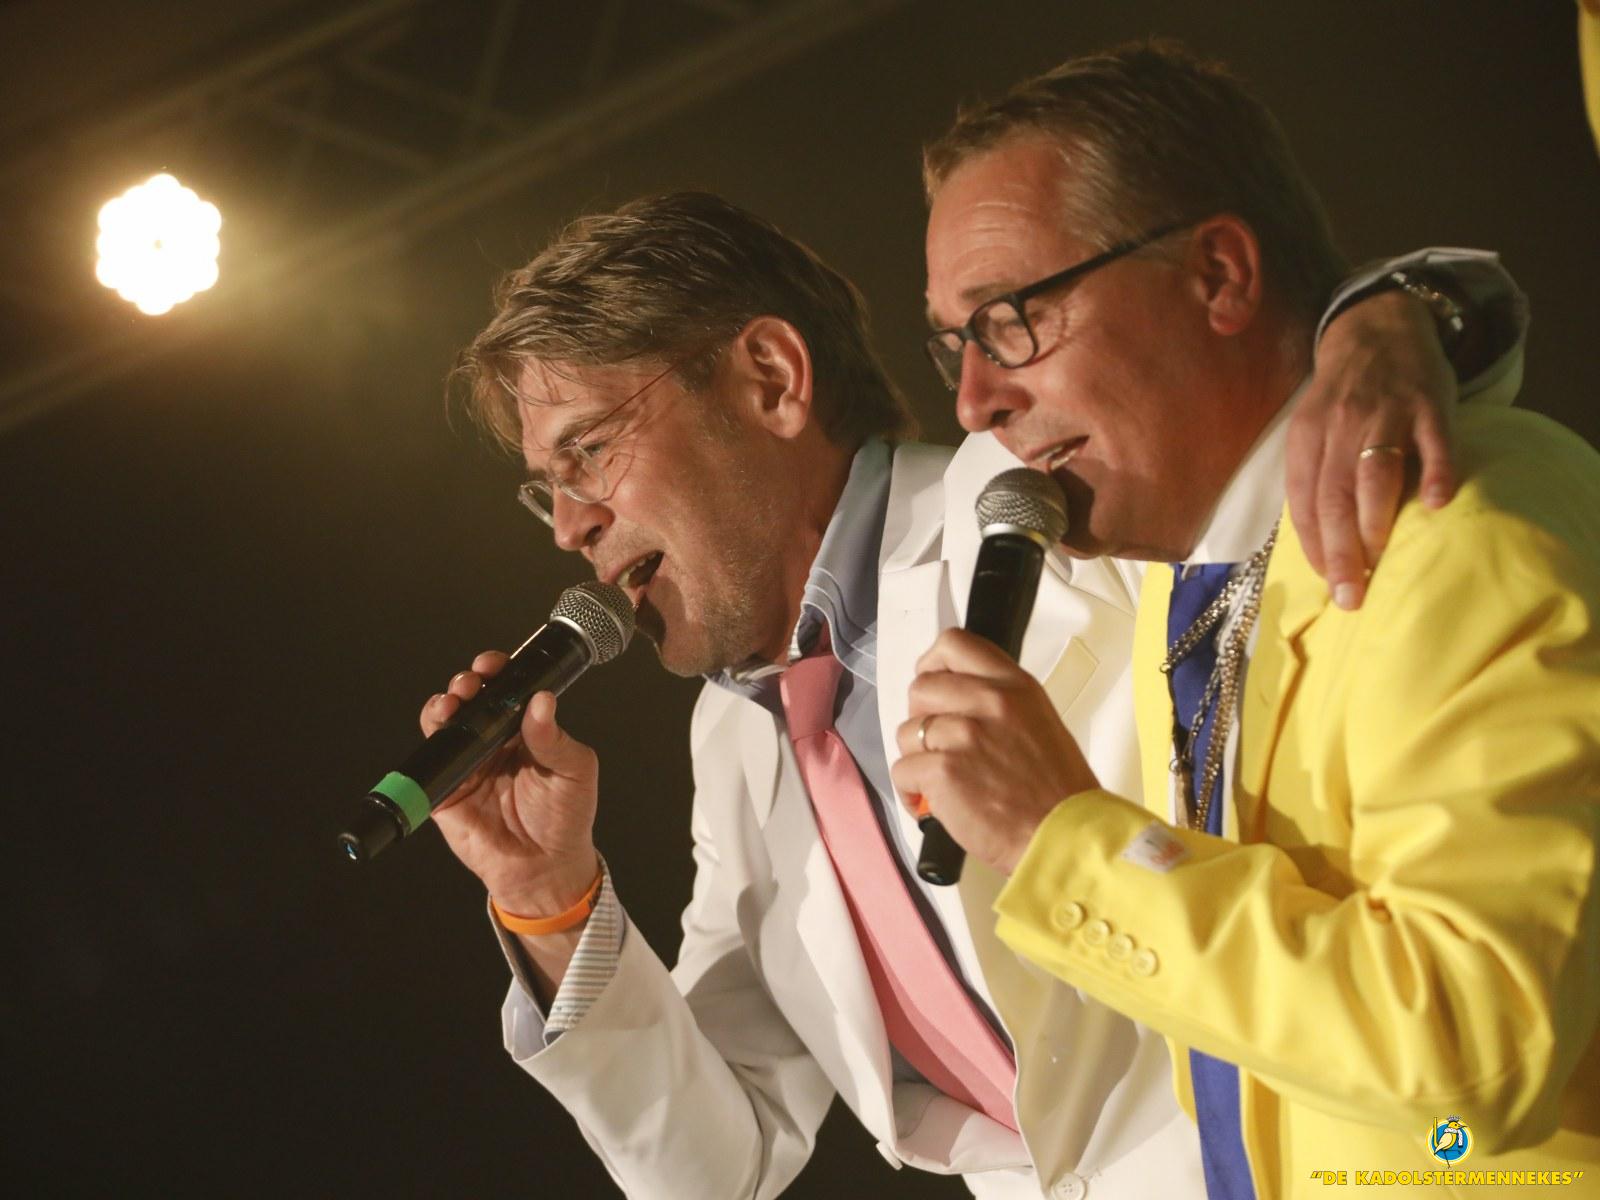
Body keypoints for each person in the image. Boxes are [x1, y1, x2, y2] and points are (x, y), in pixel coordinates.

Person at [423, 191, 1523, 1199]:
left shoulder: (1041, 499)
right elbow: (715, 1168)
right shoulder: (737, 737)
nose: (570, 527)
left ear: (771, 379)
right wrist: (549, 900)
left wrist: (1393, 312)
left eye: (590, 451)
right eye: (548, 490)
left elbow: (1262, 409)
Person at [896, 41, 1598, 1199]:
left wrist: (1060, 835)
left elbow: (1474, 1051)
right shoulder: (1190, 585)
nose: (974, 402)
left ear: (1219, 275)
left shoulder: (1454, 530)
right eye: (952, 343)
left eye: (1011, 318)